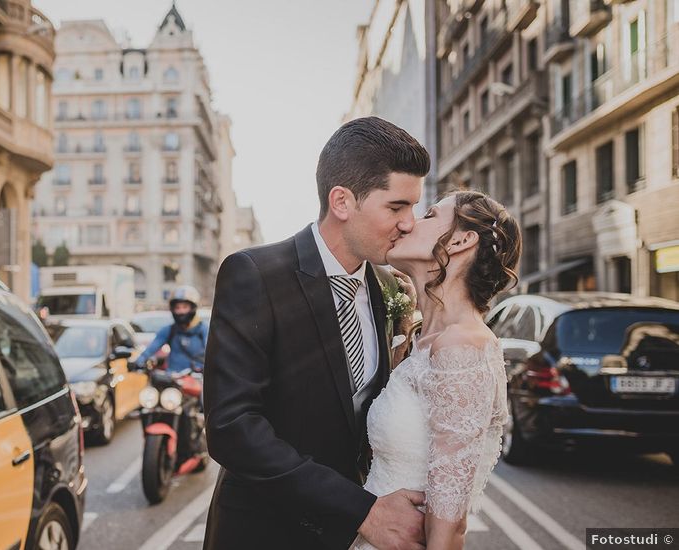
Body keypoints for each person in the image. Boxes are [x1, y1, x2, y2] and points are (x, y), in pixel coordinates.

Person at [204, 117, 430, 550]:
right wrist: (361, 511)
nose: (410, 223)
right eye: (397, 207)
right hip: (262, 533)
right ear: (342, 202)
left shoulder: (390, 288)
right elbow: (232, 427)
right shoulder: (253, 273)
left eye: (415, 208)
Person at [350, 190, 521, 550]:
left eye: (428, 215)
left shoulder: (463, 345)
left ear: (462, 240)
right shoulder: (423, 342)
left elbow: (449, 523)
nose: (409, 222)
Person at [133, 285, 209, 374]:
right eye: (177, 308)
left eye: (185, 307)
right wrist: (138, 361)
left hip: (198, 380)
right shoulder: (169, 330)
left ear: (193, 308)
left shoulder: (204, 329)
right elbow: (150, 349)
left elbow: (213, 354)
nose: (181, 311)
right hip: (173, 379)